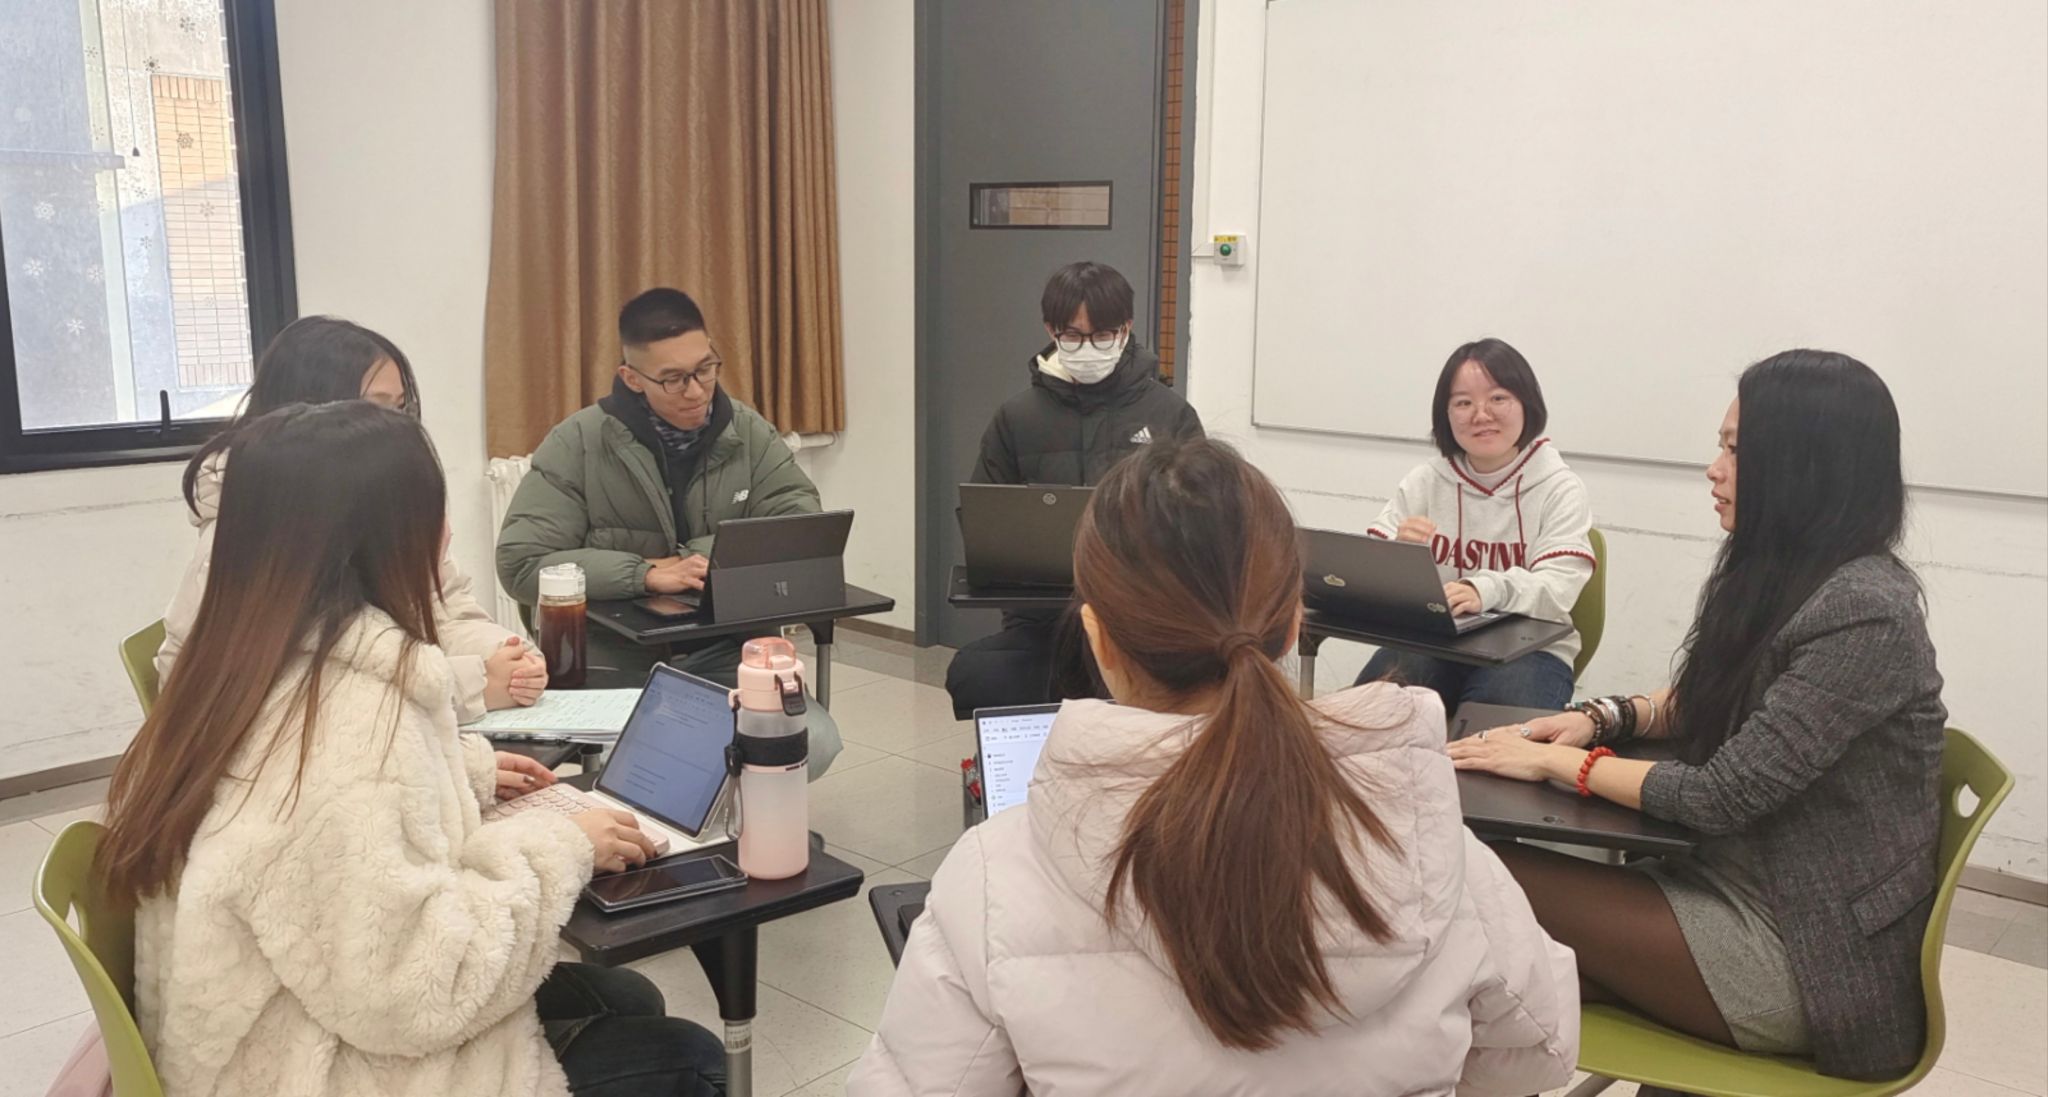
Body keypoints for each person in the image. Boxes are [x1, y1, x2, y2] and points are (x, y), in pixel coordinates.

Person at [854, 439, 1578, 1096]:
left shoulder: (992, 879)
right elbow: (1541, 1052)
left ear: (1097, 638)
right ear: (1293, 624)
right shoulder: (1431, 842)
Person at [101, 402, 725, 1096]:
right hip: (323, 1067)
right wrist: (563, 846)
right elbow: (417, 992)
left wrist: (457, 770)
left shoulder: (234, 662)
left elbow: (317, 839)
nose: (448, 532)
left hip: (266, 1033)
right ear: (376, 538)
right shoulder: (352, 726)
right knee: (693, 1057)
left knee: (626, 996)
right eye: (432, 511)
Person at [1449, 351, 1944, 1082]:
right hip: (1724, 887)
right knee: (1482, 958)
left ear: (1804, 465)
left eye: (1736, 451)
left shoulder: (1867, 613)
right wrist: (1603, 718)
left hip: (1800, 953)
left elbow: (1722, 794)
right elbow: (1715, 696)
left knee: (1470, 875)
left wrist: (1558, 760)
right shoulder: (1793, 576)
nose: (1714, 470)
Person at [496, 287, 841, 776]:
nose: (697, 391)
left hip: (727, 647)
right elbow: (522, 562)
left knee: (814, 743)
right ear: (632, 378)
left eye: (705, 368)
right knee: (654, 761)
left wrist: (696, 557)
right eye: (674, 379)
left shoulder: (747, 432)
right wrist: (643, 574)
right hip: (614, 657)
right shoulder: (578, 442)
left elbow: (798, 524)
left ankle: (732, 816)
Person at [157, 315, 545, 724]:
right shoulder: (252, 537)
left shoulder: (386, 505)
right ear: (311, 415)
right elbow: (309, 699)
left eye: (400, 408)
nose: (399, 429)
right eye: (376, 408)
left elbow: (445, 606)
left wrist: (509, 656)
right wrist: (474, 684)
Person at [943, 261, 1205, 718]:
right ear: (1051, 330)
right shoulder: (1017, 418)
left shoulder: (1171, 416)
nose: (1088, 348)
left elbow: (1204, 523)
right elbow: (983, 522)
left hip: (1142, 623)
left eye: (1102, 335)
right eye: (1073, 336)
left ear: (1125, 330)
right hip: (1044, 622)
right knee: (977, 675)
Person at [1354, 338, 1594, 711]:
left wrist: (1485, 590)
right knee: (1370, 711)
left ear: (1526, 403)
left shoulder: (1559, 486)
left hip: (1531, 649)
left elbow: (1558, 586)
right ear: (1445, 414)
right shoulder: (1426, 481)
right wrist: (1397, 555)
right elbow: (1369, 571)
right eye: (1463, 403)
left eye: (1498, 398)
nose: (1481, 415)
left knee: (1494, 727)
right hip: (1434, 642)